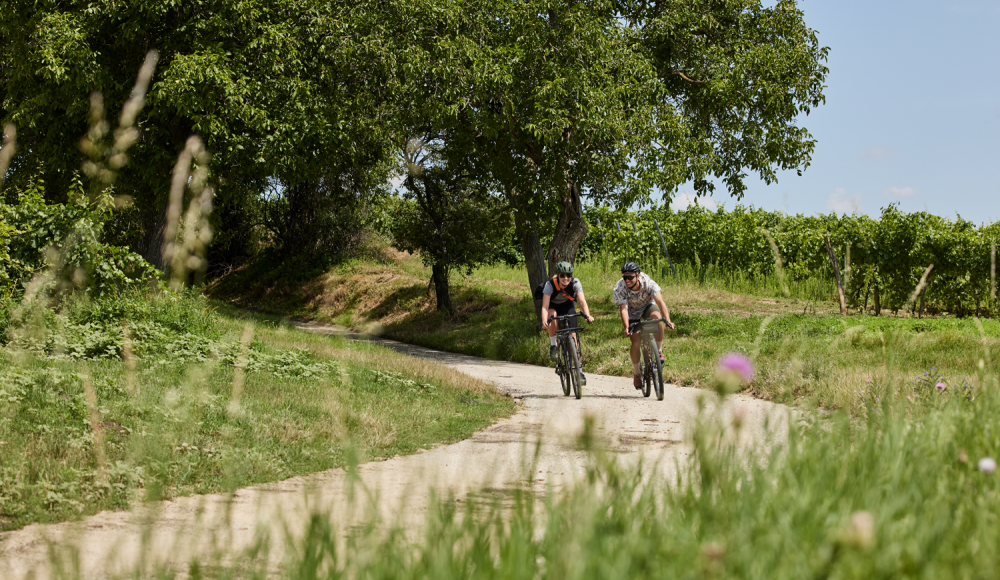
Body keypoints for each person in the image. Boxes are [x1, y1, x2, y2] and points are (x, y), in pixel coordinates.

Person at [612, 262, 674, 389]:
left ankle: (659, 350)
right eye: (625, 277)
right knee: (635, 340)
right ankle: (637, 373)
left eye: (630, 277)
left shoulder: (648, 283)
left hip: (647, 306)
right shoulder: (620, 288)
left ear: (638, 276)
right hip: (631, 311)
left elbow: (660, 302)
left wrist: (668, 320)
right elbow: (623, 309)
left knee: (658, 320)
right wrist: (626, 327)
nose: (627, 280)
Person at [540, 261, 595, 385]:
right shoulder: (549, 285)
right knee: (552, 316)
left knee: (574, 337)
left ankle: (579, 371)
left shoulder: (575, 283)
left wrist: (588, 315)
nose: (566, 278)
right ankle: (553, 344)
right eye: (563, 275)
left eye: (568, 275)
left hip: (567, 305)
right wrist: (544, 321)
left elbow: (582, 301)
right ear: (558, 275)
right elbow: (545, 306)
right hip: (553, 305)